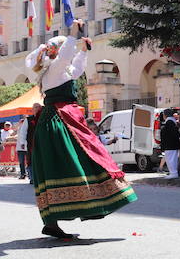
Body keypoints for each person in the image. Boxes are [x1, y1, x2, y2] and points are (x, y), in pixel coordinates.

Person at [25, 21, 137, 238]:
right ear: (56, 52)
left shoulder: (58, 71)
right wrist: (73, 33)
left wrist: (83, 50)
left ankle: (61, 217)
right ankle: (62, 216)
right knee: (71, 163)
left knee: (76, 161)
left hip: (62, 119)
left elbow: (76, 69)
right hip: (58, 121)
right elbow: (67, 56)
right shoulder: (55, 69)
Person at [159, 109, 180, 179]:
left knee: (171, 159)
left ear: (165, 115)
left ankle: (173, 173)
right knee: (171, 159)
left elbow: (172, 134)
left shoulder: (169, 122)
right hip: (171, 145)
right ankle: (173, 172)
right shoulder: (171, 122)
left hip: (170, 145)